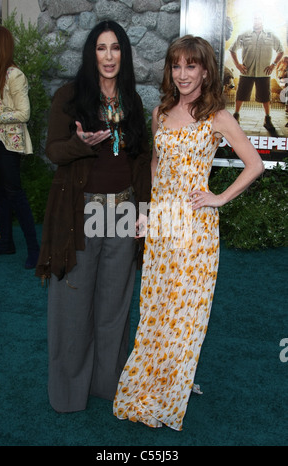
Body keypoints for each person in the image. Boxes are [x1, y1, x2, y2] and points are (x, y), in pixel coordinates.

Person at [113, 35, 264, 431]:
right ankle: (153, 378)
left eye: (191, 66)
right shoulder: (161, 112)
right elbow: (156, 168)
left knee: (186, 312)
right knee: (156, 307)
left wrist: (218, 198)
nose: (183, 74)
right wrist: (148, 214)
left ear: (205, 70)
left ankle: (172, 384)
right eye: (176, 66)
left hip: (195, 229)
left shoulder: (218, 116)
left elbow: (255, 165)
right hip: (162, 226)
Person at [35, 21, 151, 413]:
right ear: (91, 53)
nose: (108, 56)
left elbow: (141, 162)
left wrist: (145, 210)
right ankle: (69, 395)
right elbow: (52, 151)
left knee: (114, 305)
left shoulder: (132, 100)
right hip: (80, 214)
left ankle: (108, 386)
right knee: (73, 306)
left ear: (124, 54)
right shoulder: (70, 97)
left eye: (115, 48)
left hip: (123, 212)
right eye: (101, 48)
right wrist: (78, 144)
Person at [0, 25, 40, 268]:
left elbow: (24, 112)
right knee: (0, 193)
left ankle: (34, 249)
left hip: (8, 144)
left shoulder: (14, 75)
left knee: (15, 195)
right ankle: (7, 242)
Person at [229, 13, 284, 133]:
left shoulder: (271, 35)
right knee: (241, 95)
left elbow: (281, 50)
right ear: (252, 20)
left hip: (263, 73)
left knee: (266, 97)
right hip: (246, 72)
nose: (256, 20)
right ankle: (236, 116)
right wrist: (238, 65)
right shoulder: (244, 35)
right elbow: (232, 49)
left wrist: (273, 65)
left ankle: (267, 119)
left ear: (263, 20)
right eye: (254, 18)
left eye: (258, 18)